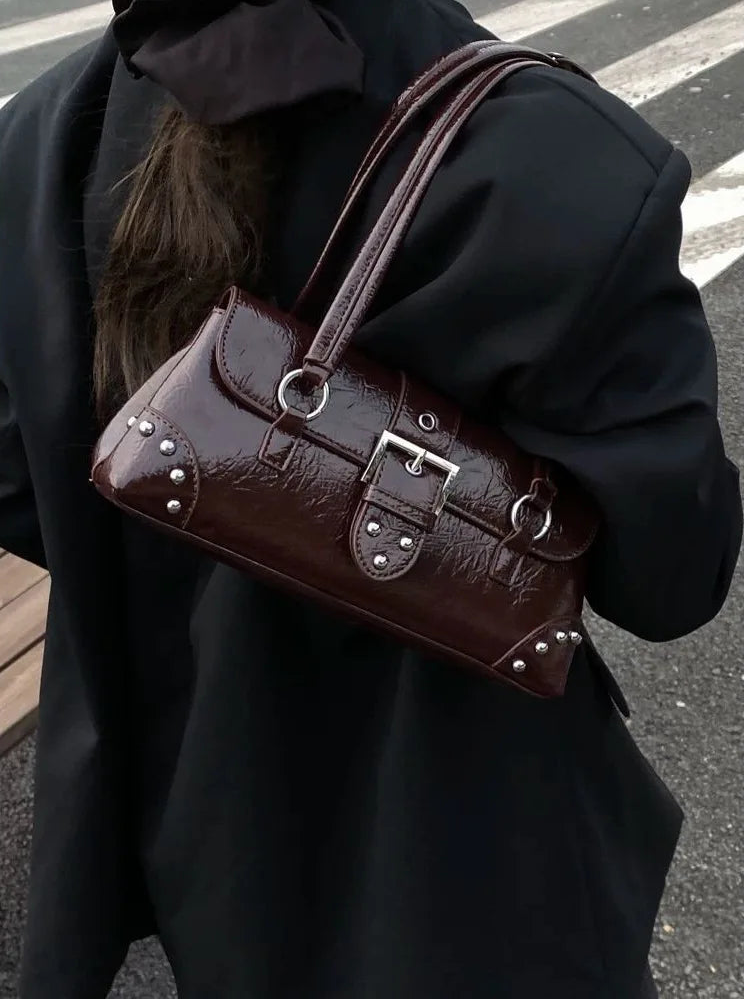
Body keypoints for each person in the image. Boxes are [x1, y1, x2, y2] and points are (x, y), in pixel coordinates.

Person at [0, 1, 740, 997]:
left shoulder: (45, 131)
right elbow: (672, 579)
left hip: (194, 845)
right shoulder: (549, 149)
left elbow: (21, 488)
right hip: (481, 873)